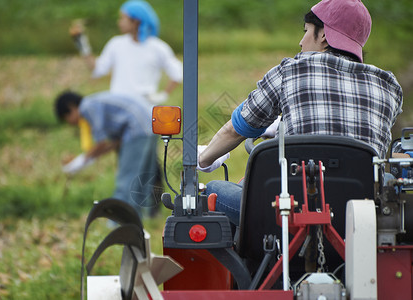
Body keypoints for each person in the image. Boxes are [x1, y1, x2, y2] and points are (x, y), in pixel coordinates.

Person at [197, 0, 403, 226]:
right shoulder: (389, 86)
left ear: (323, 34)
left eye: (306, 32)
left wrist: (204, 159)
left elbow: (236, 130)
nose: (301, 41)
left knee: (214, 190)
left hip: (293, 217)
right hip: (363, 219)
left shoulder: (290, 71)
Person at [54, 90, 159, 217]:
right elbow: (114, 143)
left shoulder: (87, 107)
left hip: (136, 128)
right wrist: (89, 158)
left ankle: (118, 221)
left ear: (71, 107)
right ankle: (140, 218)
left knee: (126, 181)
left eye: (67, 118)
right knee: (143, 177)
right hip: (150, 124)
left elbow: (101, 143)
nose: (70, 123)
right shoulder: (96, 101)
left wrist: (81, 161)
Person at [70, 0, 183, 104]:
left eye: (123, 18)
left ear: (136, 21)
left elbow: (178, 73)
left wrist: (163, 95)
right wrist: (82, 45)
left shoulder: (157, 47)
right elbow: (97, 69)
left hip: (144, 107)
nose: (119, 22)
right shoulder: (116, 44)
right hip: (119, 106)